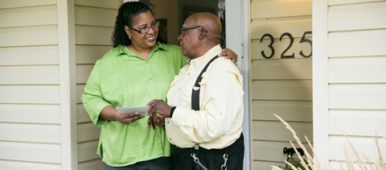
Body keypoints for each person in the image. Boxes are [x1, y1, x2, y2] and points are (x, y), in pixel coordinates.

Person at [81, 2, 237, 170]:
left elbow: (205, 61)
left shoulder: (176, 54)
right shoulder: (108, 62)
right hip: (122, 152)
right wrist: (114, 114)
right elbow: (90, 97)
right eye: (143, 28)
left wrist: (225, 54)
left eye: (154, 24)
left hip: (163, 152)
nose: (152, 31)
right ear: (128, 31)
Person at [147, 12, 244, 170]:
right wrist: (167, 120)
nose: (179, 37)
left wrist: (171, 112)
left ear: (203, 33)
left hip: (208, 161)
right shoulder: (190, 67)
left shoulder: (222, 71)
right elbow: (191, 110)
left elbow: (214, 126)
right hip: (186, 159)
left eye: (184, 31)